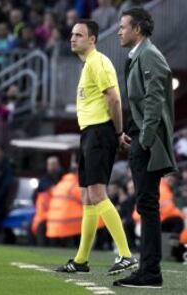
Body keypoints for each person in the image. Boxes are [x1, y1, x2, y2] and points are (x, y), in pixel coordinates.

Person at [56, 20, 137, 275]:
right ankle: (81, 260)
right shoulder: (89, 64)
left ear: (92, 39)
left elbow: (113, 98)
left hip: (100, 132)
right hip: (89, 133)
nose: (73, 38)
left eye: (79, 35)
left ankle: (126, 255)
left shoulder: (98, 62)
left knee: (98, 194)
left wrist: (118, 132)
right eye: (72, 35)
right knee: (87, 198)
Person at [114, 8, 178, 288]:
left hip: (148, 140)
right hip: (141, 134)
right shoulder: (140, 55)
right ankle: (149, 270)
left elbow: (154, 100)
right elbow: (142, 104)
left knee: (148, 206)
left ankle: (151, 273)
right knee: (146, 205)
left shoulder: (149, 54)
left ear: (137, 29)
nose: (119, 31)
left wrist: (146, 139)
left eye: (123, 26)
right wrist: (132, 132)